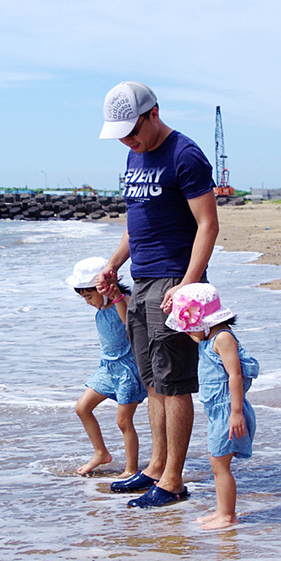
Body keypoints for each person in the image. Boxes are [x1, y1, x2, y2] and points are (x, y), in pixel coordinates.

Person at [94, 81, 220, 508]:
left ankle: (173, 480)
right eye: (121, 134)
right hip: (143, 279)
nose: (129, 140)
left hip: (174, 281)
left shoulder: (184, 154)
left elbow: (208, 224)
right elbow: (137, 222)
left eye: (133, 130)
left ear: (154, 113)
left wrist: (188, 284)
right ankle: (154, 467)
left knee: (174, 382)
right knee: (152, 382)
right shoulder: (134, 155)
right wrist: (114, 263)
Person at [165, 283, 259, 528]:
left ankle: (228, 515)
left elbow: (235, 376)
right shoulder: (209, 336)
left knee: (220, 466)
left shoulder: (223, 338)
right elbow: (196, 336)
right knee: (217, 465)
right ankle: (221, 511)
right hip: (218, 412)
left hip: (229, 410)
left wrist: (236, 413)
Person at [65, 257, 145, 478]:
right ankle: (101, 453)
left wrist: (116, 297)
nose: (88, 301)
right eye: (85, 298)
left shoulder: (124, 301)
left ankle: (131, 468)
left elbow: (130, 323)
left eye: (89, 296)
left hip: (128, 370)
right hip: (108, 368)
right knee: (82, 408)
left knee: (123, 421)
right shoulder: (100, 309)